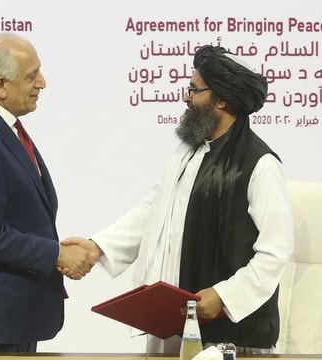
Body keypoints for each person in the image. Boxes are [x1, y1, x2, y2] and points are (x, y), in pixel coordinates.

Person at [62, 45, 294, 354]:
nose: (186, 97)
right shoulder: (189, 151)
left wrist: (225, 297)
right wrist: (97, 247)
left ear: (222, 100)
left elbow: (275, 252)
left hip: (233, 340)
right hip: (174, 325)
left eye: (194, 90)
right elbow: (155, 210)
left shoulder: (260, 165)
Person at [0, 32, 94, 353]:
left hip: (10, 318)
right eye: (31, 76)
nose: (42, 83)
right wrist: (57, 254)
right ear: (0, 86)